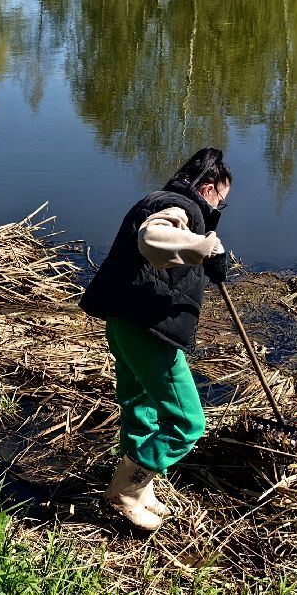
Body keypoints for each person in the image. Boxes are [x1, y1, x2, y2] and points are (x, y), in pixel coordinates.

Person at [78, 148, 232, 531]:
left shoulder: (162, 199)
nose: (219, 209)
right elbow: (152, 237)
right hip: (148, 331)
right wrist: (205, 246)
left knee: (141, 408)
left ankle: (139, 488)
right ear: (208, 189)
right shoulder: (180, 207)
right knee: (187, 423)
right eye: (221, 201)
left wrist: (202, 252)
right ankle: (125, 492)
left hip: (125, 324)